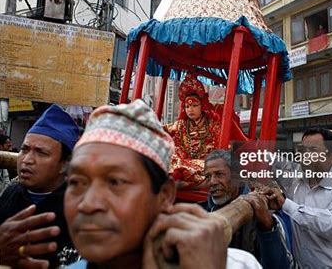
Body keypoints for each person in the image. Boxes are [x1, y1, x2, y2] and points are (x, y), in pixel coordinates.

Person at [65, 100, 262, 269]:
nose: (88, 204)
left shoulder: (236, 265)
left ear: (165, 195)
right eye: (76, 182)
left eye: (115, 182)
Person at [0, 104, 79, 268]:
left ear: (65, 164)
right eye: (25, 150)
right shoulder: (14, 192)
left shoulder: (78, 207)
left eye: (41, 152)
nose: (27, 159)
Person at [267, 128, 332, 268]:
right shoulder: (295, 179)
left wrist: (286, 204)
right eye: (302, 150)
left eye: (313, 150)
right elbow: (268, 159)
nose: (306, 155)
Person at [201, 149, 295, 268]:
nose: (212, 182)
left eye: (219, 174)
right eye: (207, 176)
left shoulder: (267, 213)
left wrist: (267, 227)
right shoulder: (202, 212)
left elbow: (280, 266)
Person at [164, 73, 222, 189]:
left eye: (194, 105)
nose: (190, 110)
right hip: (184, 162)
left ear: (202, 105)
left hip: (205, 164)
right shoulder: (181, 125)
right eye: (187, 107)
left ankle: (192, 185)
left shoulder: (212, 124)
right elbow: (163, 129)